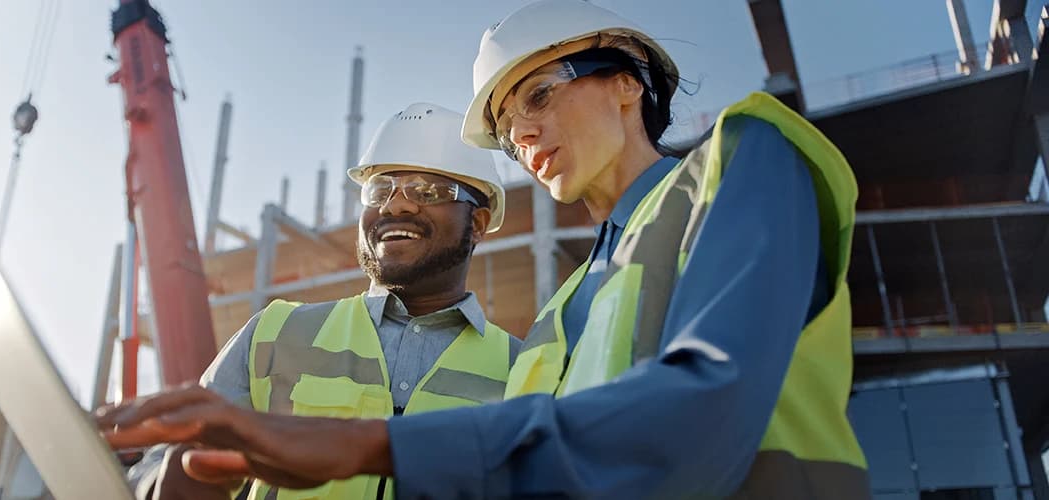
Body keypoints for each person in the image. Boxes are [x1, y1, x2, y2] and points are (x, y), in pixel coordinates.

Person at [96, 1, 869, 498]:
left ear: (626, 80)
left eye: (538, 93)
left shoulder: (742, 160)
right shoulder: (561, 317)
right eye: (506, 126)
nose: (522, 134)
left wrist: (365, 445)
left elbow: (705, 411)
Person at [118, 102, 521, 499]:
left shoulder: (524, 369)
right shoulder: (275, 334)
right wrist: (166, 481)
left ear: (478, 224)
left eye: (427, 189)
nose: (395, 204)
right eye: (380, 189)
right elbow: (169, 458)